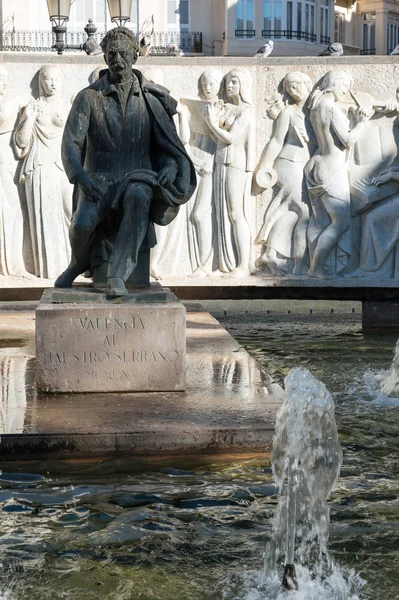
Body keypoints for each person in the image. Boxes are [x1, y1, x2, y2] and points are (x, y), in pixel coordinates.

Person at [55, 27, 195, 296]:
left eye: (123, 54)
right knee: (82, 225)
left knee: (139, 197)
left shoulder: (150, 98)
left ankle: (118, 274)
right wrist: (81, 178)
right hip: (97, 178)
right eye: (111, 54)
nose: (117, 60)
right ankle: (78, 261)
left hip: (138, 176)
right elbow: (71, 143)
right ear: (105, 58)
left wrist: (170, 167)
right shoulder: (89, 97)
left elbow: (167, 145)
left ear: (135, 56)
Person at [305, 70, 372, 279]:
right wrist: (362, 122)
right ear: (334, 83)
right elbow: (349, 139)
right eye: (344, 85)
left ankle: (316, 265)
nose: (346, 90)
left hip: (316, 163)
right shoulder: (331, 107)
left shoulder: (316, 104)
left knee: (320, 222)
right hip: (331, 168)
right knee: (340, 222)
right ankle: (315, 268)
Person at [14, 65, 73, 279]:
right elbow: (20, 142)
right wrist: (29, 117)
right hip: (38, 167)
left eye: (57, 78)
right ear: (42, 82)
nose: (53, 83)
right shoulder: (33, 106)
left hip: (63, 168)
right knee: (42, 216)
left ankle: (78, 263)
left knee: (72, 212)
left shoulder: (69, 107)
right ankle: (49, 272)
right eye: (48, 79)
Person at [256, 71, 314, 276]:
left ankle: (272, 254)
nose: (293, 90)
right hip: (287, 164)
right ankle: (301, 263)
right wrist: (264, 166)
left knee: (290, 212)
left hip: (305, 166)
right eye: (289, 87)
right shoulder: (287, 113)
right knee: (304, 211)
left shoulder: (315, 111)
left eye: (296, 85)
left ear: (307, 84)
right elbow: (276, 141)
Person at [204, 68, 254, 278]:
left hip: (235, 162)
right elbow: (218, 139)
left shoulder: (246, 111)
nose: (229, 86)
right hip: (221, 160)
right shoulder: (227, 108)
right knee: (221, 212)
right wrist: (213, 121)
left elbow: (232, 138)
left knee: (235, 213)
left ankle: (243, 265)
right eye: (228, 82)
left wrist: (211, 123)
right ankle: (225, 263)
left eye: (234, 82)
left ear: (243, 85)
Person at [0, 66, 28, 277]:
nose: (3, 83)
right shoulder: (9, 105)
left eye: (5, 79)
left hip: (8, 160)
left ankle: (13, 264)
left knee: (13, 211)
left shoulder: (12, 102)